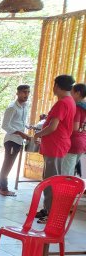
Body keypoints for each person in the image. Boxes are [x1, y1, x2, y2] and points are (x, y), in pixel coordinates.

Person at [32, 74, 76, 223]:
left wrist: (38, 133)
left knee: (52, 181)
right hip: (55, 145)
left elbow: (53, 126)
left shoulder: (63, 103)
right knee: (49, 178)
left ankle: (51, 214)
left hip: (56, 145)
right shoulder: (69, 101)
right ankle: (47, 209)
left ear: (57, 86)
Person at [0, 85, 32, 196]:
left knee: (7, 164)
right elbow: (5, 126)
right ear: (18, 93)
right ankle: (4, 189)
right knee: (8, 165)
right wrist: (20, 133)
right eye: (24, 92)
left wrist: (28, 127)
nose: (26, 95)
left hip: (19, 140)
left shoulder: (25, 106)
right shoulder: (12, 107)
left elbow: (19, 122)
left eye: (28, 92)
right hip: (12, 140)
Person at [63, 83, 86, 177]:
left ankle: (65, 192)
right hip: (82, 141)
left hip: (73, 143)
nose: (69, 95)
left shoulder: (77, 107)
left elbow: (75, 128)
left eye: (71, 92)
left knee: (66, 174)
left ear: (78, 93)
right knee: (72, 173)